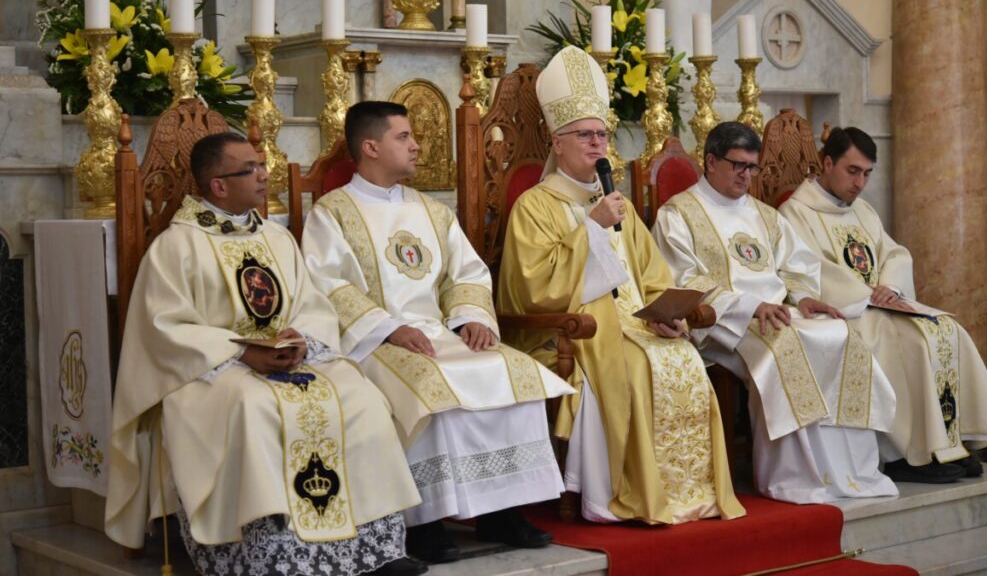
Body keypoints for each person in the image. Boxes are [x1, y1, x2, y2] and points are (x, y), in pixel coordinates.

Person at [105, 132, 424, 576]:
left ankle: (373, 546)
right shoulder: (177, 246)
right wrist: (240, 352)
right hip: (212, 373)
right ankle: (271, 554)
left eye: (262, 165)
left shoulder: (275, 237)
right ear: (218, 185)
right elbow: (162, 329)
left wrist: (299, 339)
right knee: (255, 406)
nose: (263, 175)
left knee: (361, 396)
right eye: (250, 169)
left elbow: (312, 305)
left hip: (287, 358)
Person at [301, 101, 574, 564]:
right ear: (370, 147)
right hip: (374, 340)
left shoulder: (432, 211)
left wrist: (471, 317)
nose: (417, 145)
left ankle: (502, 510)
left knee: (514, 373)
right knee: (429, 387)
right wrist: (389, 328)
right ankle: (422, 521)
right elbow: (326, 284)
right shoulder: (333, 213)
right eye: (403, 137)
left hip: (442, 331)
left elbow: (464, 274)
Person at [497, 46, 745, 525]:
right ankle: (622, 493)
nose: (597, 144)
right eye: (585, 135)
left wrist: (668, 314)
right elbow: (532, 287)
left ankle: (686, 493)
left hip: (634, 324)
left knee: (682, 357)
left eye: (602, 134)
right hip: (573, 332)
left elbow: (652, 278)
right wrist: (589, 227)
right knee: (635, 363)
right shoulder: (535, 206)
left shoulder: (617, 205)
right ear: (557, 142)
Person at [651, 121, 899, 503]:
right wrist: (751, 306)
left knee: (840, 335)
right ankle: (795, 476)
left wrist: (801, 299)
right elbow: (682, 279)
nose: (747, 176)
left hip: (778, 313)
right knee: (787, 349)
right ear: (711, 162)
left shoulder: (765, 215)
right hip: (723, 323)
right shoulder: (679, 214)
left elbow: (796, 267)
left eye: (753, 167)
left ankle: (849, 472)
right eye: (738, 166)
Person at [778, 126, 987, 481]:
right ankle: (908, 455)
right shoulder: (795, 212)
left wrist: (889, 285)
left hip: (878, 303)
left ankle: (951, 442)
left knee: (947, 329)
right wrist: (865, 295)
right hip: (845, 311)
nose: (860, 183)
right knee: (909, 343)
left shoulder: (863, 211)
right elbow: (806, 269)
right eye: (852, 171)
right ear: (827, 163)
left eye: (867, 173)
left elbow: (893, 253)